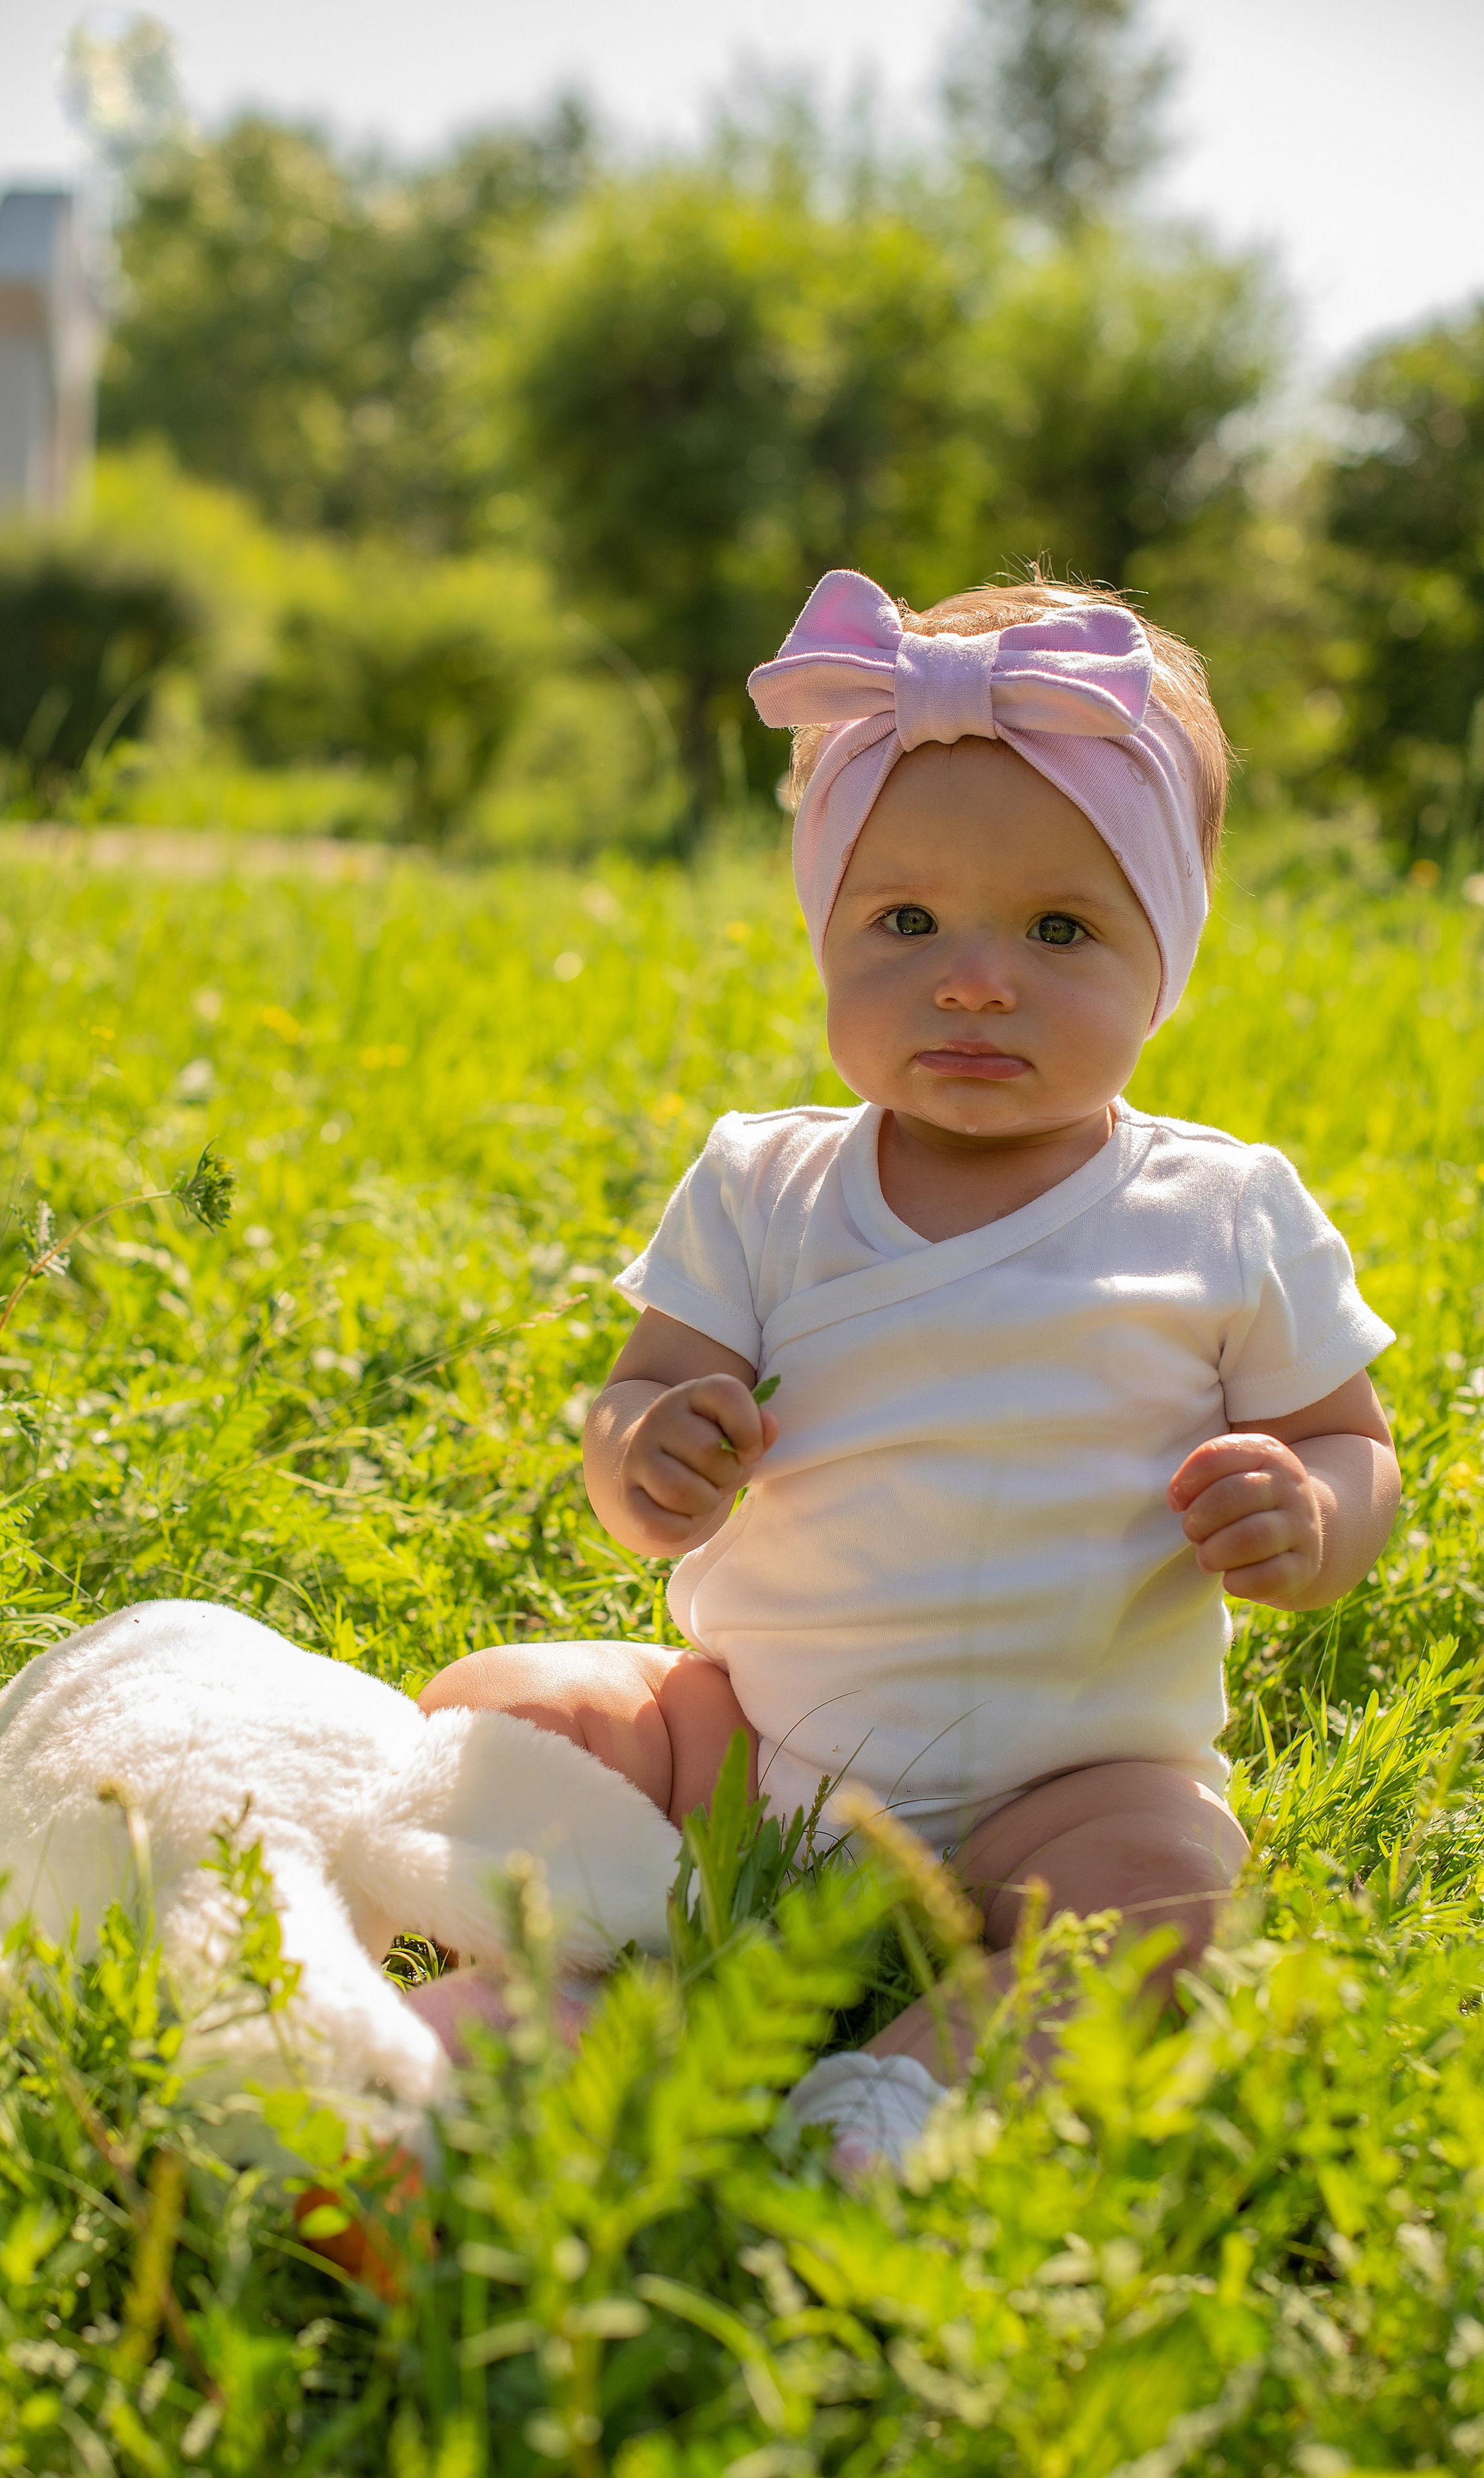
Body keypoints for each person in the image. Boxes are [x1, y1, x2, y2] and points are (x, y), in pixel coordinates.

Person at [418, 567, 1401, 2162]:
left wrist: (1308, 1506)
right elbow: (632, 1396)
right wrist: (647, 1448)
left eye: (1059, 927)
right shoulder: (760, 1185)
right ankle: (560, 1993)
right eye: (902, 921)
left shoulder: (1221, 1212)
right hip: (751, 1744)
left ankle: (905, 2088)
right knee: (516, 1706)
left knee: (1160, 1890)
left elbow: (1351, 1443)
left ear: (1169, 953)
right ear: (824, 929)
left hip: (1068, 1778)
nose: (971, 977)